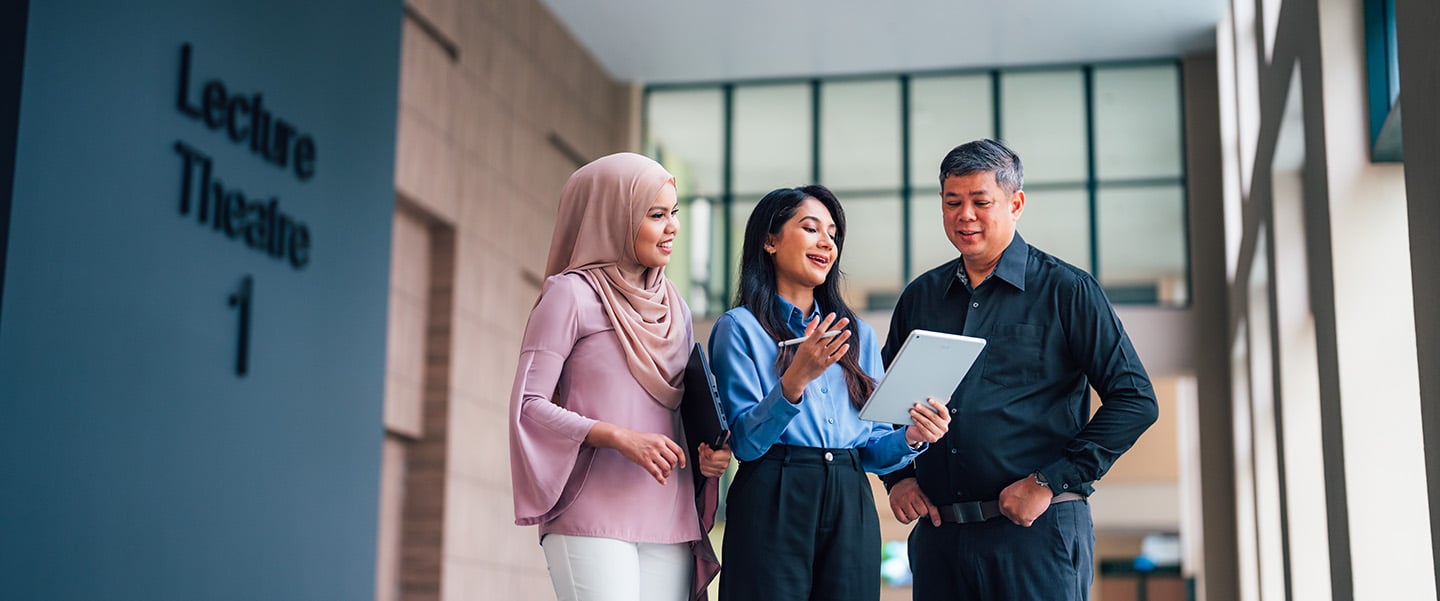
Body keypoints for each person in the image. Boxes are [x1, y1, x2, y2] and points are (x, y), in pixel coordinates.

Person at [880, 139, 1159, 600]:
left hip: (1036, 534)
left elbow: (1135, 401)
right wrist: (897, 477)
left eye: (980, 202)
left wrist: (1049, 480)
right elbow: (886, 401)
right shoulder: (920, 297)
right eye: (952, 202)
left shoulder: (1067, 290)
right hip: (940, 540)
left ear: (1016, 203)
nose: (964, 215)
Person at [708, 185, 951, 601]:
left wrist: (912, 436)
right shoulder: (739, 328)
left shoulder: (858, 335)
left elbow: (871, 450)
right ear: (769, 240)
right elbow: (746, 445)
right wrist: (795, 380)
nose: (826, 242)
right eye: (810, 228)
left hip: (849, 494)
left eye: (833, 234)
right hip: (773, 489)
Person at [508, 152, 732, 601]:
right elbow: (529, 407)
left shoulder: (677, 308)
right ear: (613, 216)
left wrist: (706, 456)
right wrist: (617, 436)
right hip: (592, 512)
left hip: (668, 516)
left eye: (674, 214)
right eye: (656, 215)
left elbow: (678, 411)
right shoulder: (570, 295)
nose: (673, 227)